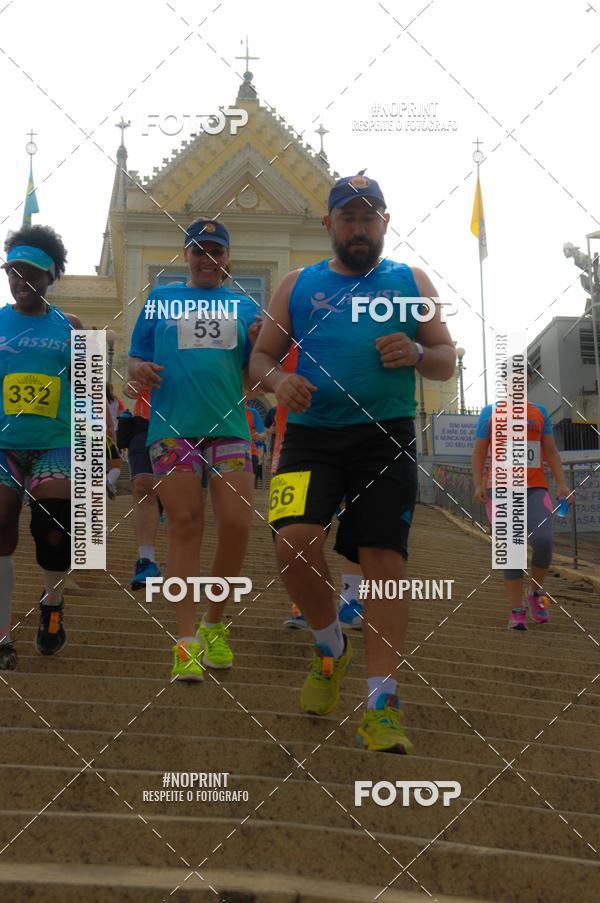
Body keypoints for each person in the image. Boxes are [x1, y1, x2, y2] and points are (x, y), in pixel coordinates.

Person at [250, 174, 456, 754]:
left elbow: (444, 360)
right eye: (349, 217)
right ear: (329, 225)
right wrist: (281, 380)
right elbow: (261, 357)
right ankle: (330, 646)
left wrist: (417, 351)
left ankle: (382, 704)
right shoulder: (297, 283)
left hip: (385, 436)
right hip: (311, 437)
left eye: (370, 217)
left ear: (385, 223)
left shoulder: (411, 281)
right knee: (292, 544)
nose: (359, 227)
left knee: (383, 560)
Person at [128, 219, 259, 681]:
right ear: (185, 255)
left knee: (238, 524)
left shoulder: (245, 307)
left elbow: (255, 374)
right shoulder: (160, 299)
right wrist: (139, 371)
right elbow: (135, 357)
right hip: (172, 428)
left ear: (228, 257)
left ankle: (214, 622)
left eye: (216, 251)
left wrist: (266, 354)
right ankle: (185, 641)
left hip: (230, 430)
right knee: (184, 524)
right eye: (198, 251)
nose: (207, 259)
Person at [0, 225, 83, 670]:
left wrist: (97, 454)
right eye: (13, 271)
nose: (20, 281)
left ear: (52, 276)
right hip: (4, 445)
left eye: (31, 273)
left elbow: (89, 391)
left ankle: (52, 602)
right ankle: (2, 634)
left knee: (54, 528)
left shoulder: (70, 327)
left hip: (55, 444)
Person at [472, 361, 570, 629]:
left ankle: (535, 594)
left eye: (522, 377)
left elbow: (550, 451)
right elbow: (480, 452)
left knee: (544, 540)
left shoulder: (539, 412)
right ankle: (516, 610)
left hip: (535, 487)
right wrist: (479, 484)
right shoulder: (490, 413)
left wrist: (561, 484)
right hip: (500, 489)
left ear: (528, 381)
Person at [121, 381, 162, 590]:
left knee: (191, 498)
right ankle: (147, 561)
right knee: (143, 485)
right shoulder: (149, 346)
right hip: (144, 423)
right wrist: (130, 385)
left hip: (186, 423)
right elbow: (132, 373)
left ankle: (187, 567)